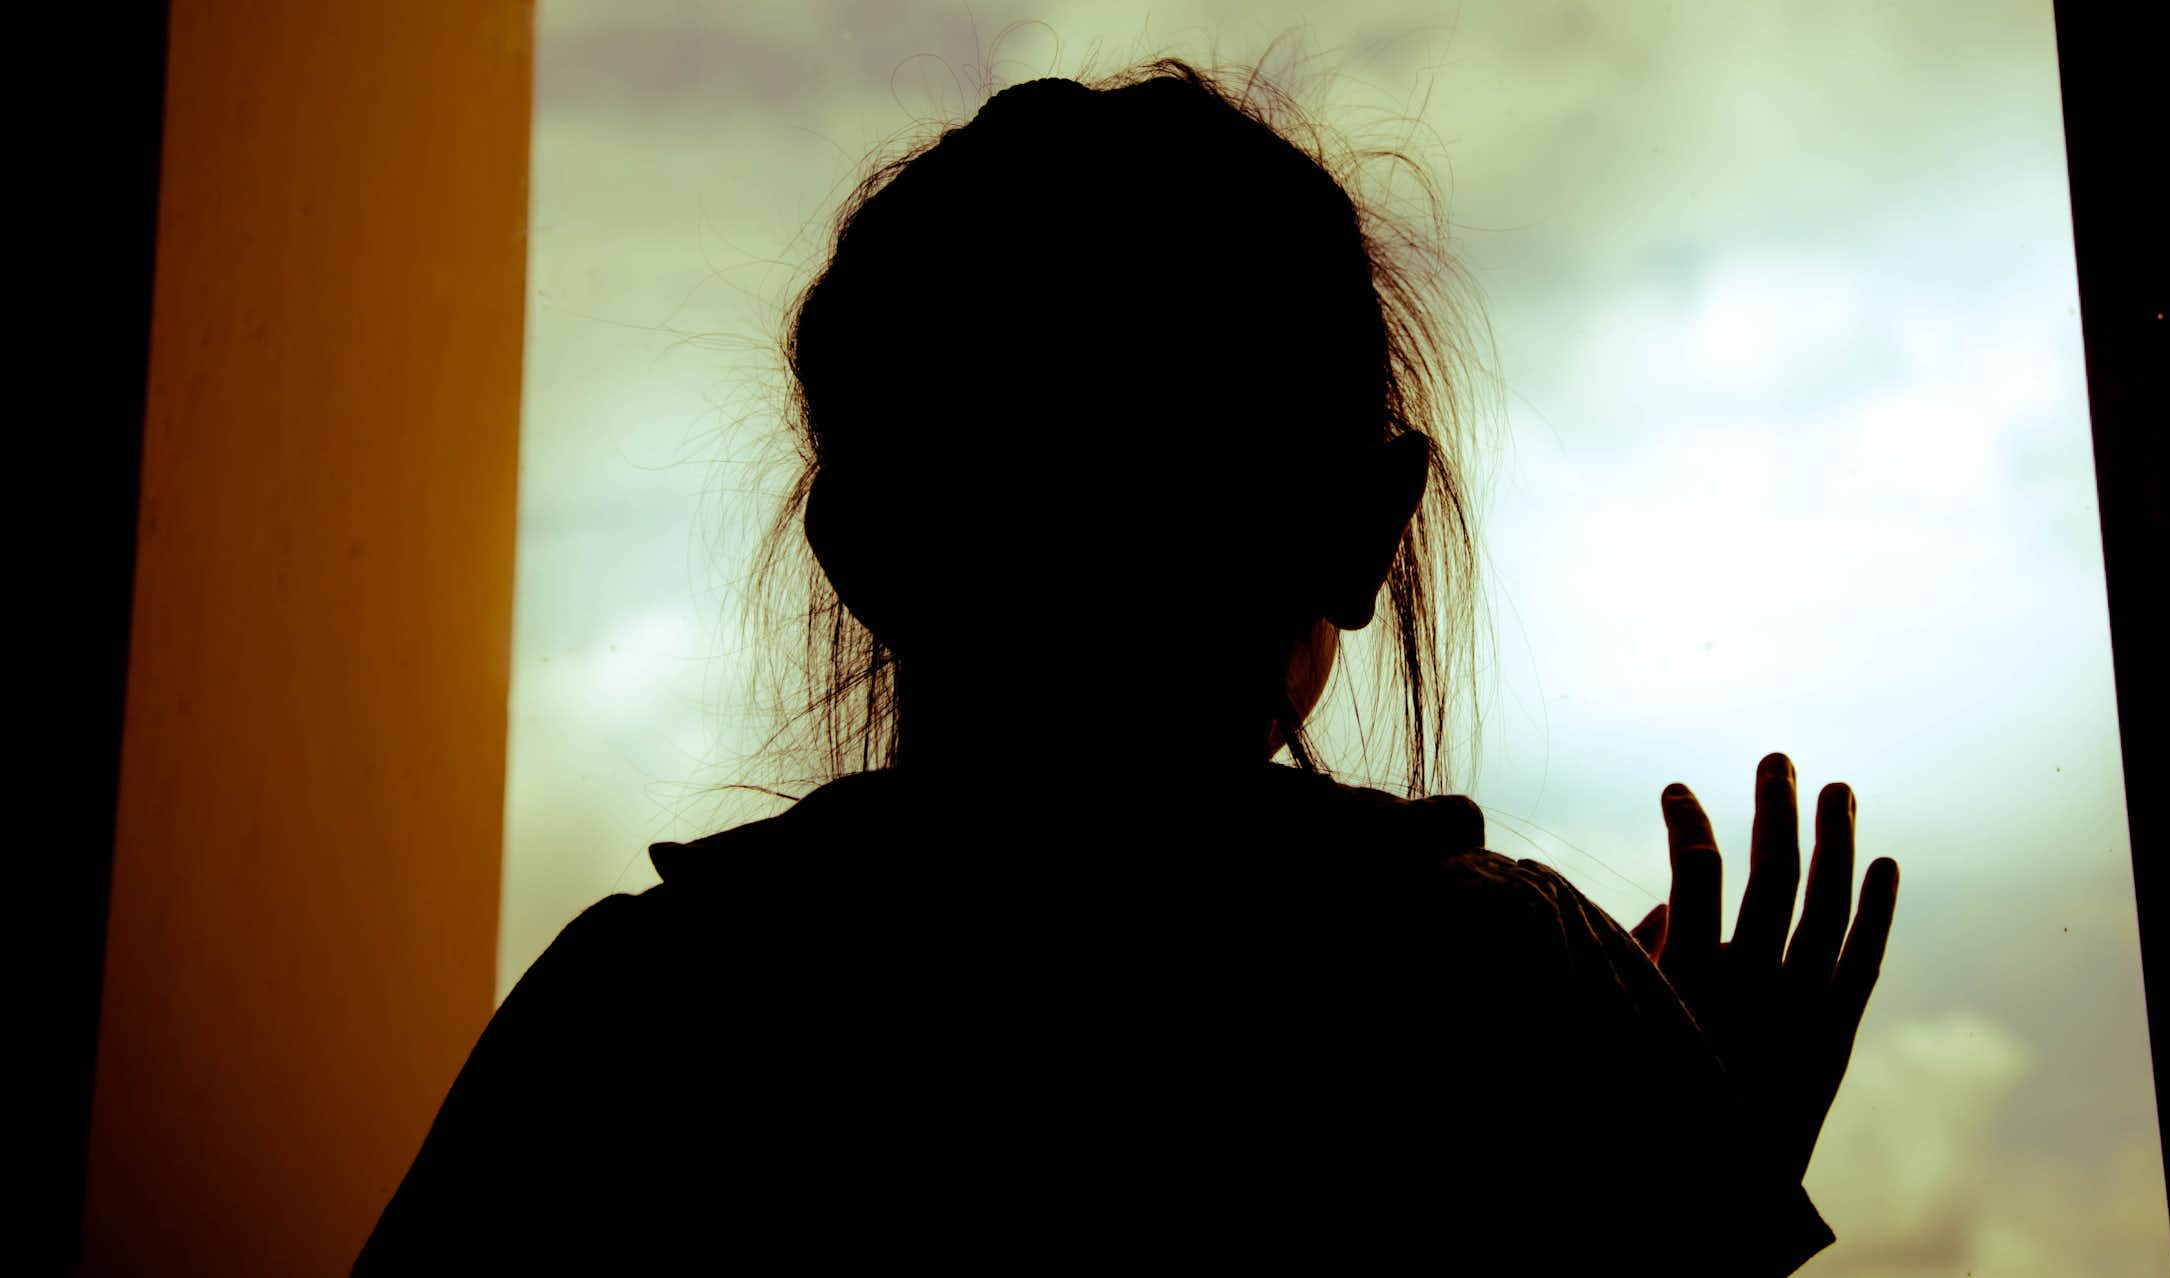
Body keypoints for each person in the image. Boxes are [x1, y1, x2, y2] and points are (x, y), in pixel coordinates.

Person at [355, 58, 1897, 1275]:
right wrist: (1704, 1167)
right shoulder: (1516, 996)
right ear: (1369, 530)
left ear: (860, 548)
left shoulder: (638, 1023)